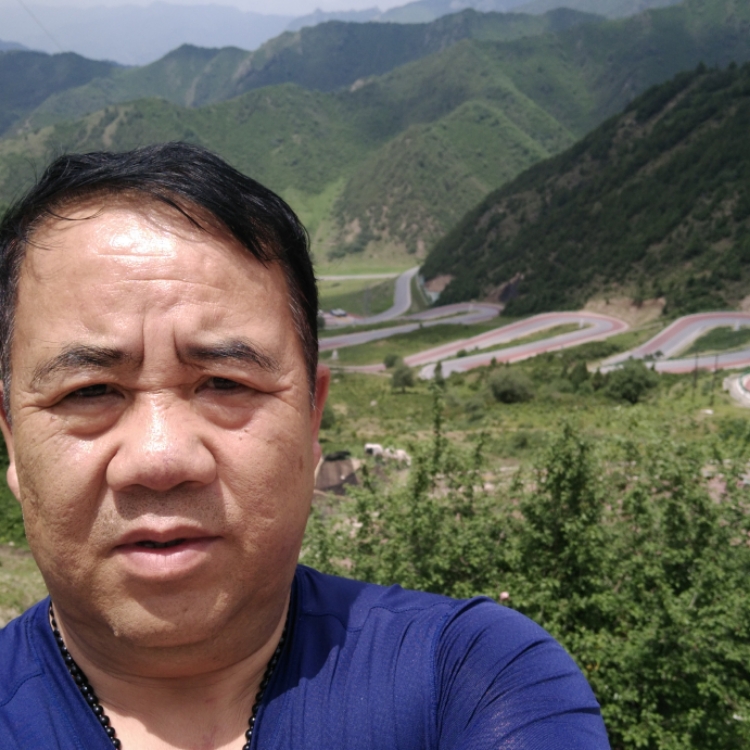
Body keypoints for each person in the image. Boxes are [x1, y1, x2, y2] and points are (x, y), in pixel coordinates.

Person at [0, 143, 610, 749]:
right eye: (89, 391)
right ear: (11, 436)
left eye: (225, 384)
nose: (160, 459)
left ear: (312, 417)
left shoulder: (469, 679)